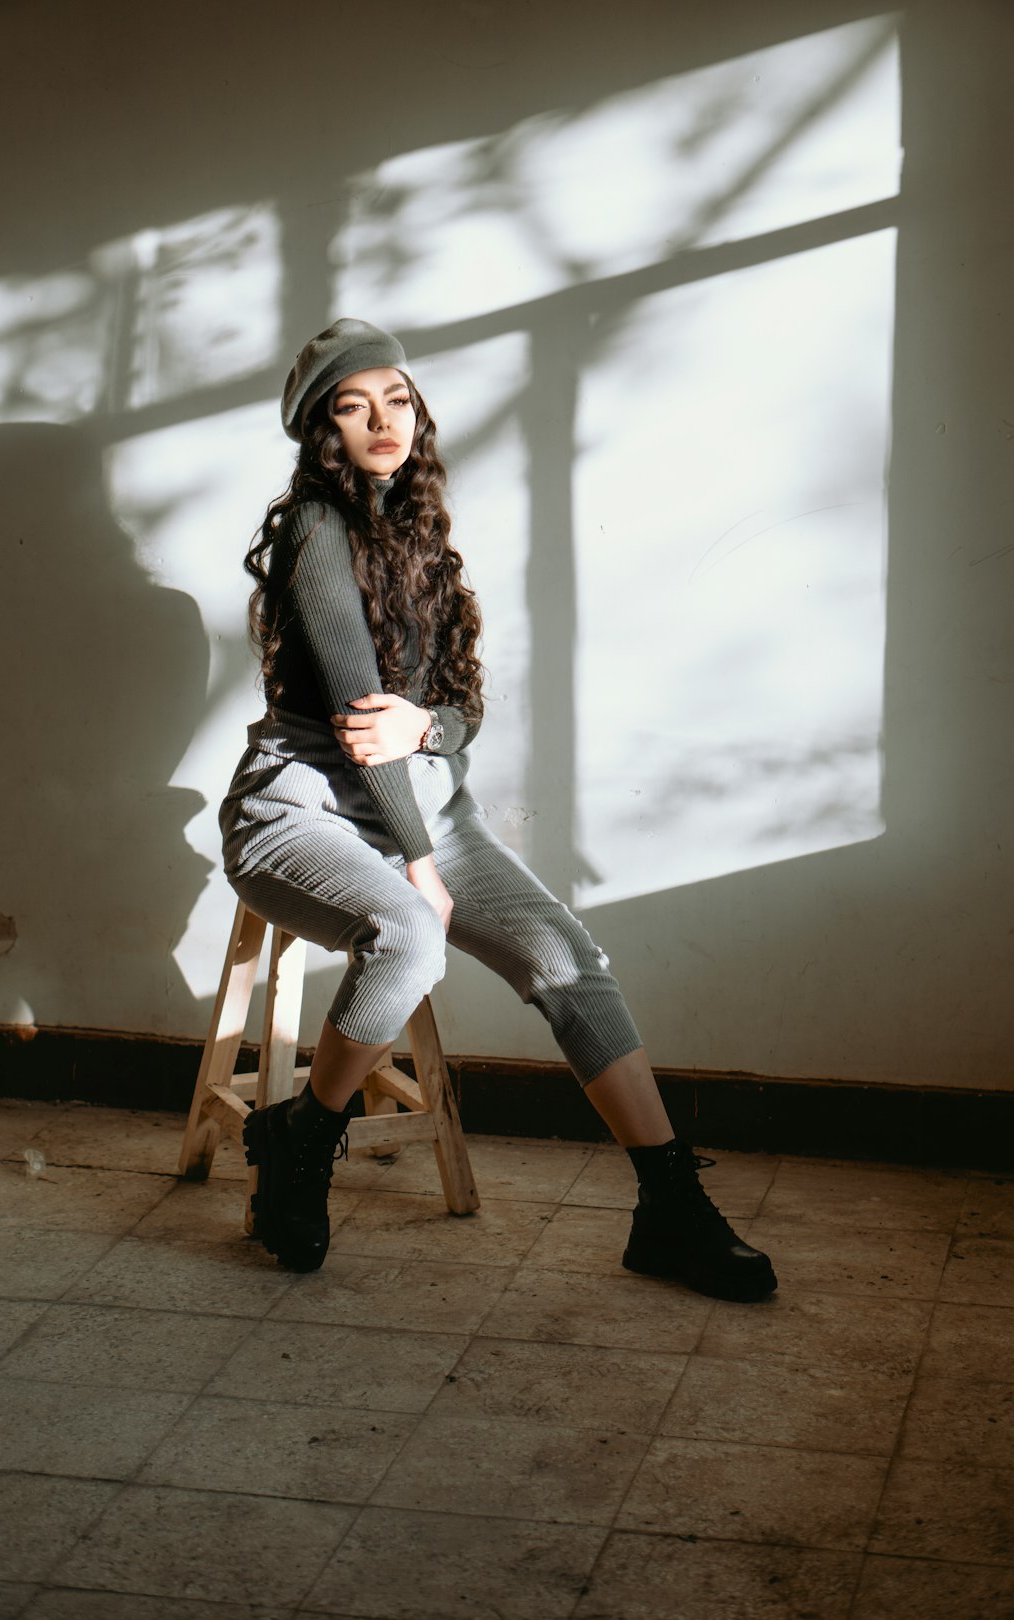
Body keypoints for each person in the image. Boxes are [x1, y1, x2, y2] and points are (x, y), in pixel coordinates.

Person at [220, 318, 776, 1303]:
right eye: (351, 408)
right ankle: (306, 1143)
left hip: (420, 803)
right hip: (304, 810)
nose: (380, 420)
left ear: (417, 411)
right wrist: (421, 865)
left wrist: (429, 731)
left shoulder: (417, 533)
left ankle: (669, 1208)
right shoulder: (316, 528)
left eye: (394, 399)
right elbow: (359, 724)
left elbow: (459, 717)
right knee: (409, 934)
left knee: (570, 960)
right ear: (322, 435)